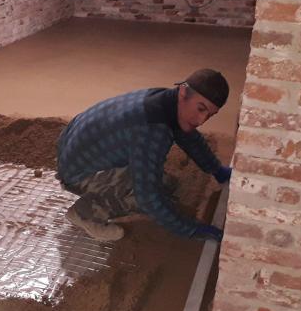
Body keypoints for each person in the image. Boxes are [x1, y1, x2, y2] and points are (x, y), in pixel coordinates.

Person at [56, 68, 233, 242]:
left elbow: (188, 136)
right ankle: (85, 213)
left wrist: (216, 169)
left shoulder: (165, 100)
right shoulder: (152, 130)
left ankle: (99, 188)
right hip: (77, 173)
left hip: (75, 147)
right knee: (148, 199)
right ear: (183, 91)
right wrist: (191, 230)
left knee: (166, 184)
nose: (202, 120)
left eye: (210, 114)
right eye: (201, 109)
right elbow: (148, 197)